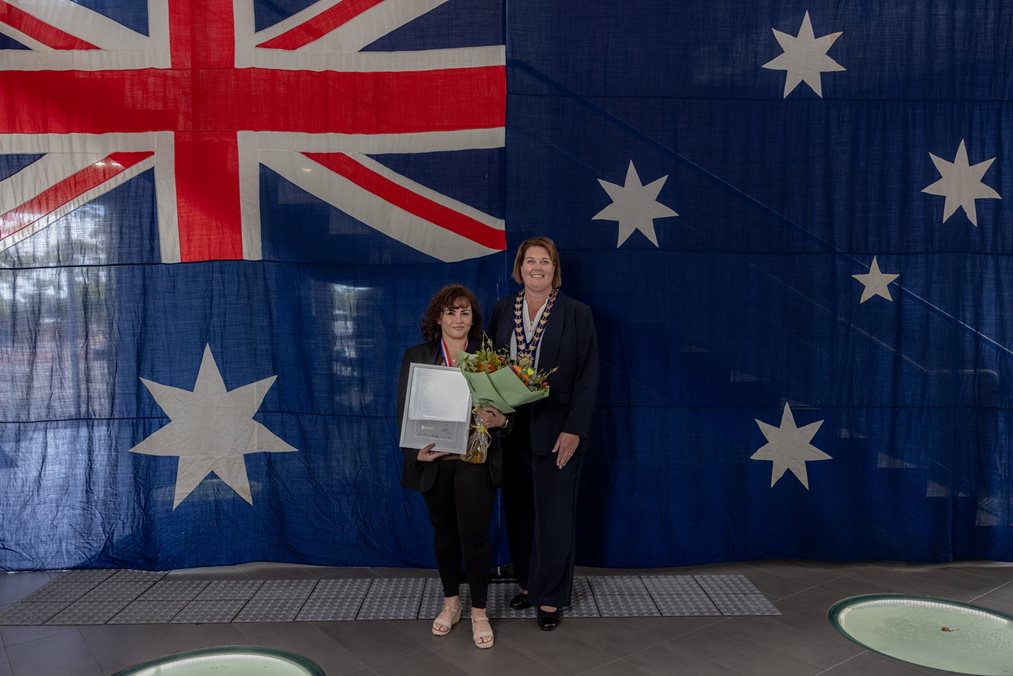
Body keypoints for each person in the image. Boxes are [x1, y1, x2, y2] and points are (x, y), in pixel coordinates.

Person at [487, 236, 599, 631]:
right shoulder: (502, 310)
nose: (537, 268)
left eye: (545, 262)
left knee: (553, 515)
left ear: (555, 269)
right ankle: (529, 583)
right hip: (512, 427)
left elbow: (588, 378)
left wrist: (574, 430)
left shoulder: (576, 313)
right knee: (520, 512)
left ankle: (550, 596)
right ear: (519, 268)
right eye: (530, 261)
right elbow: (490, 367)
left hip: (557, 430)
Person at [396, 284, 509, 649]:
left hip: (475, 461)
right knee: (444, 533)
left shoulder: (489, 357)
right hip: (436, 461)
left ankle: (479, 610)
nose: (458, 319)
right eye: (451, 312)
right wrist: (417, 452)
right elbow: (405, 411)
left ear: (473, 319)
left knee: (474, 535)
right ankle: (451, 604)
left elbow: (511, 411)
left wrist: (501, 421)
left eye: (465, 312)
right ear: (438, 318)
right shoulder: (418, 355)